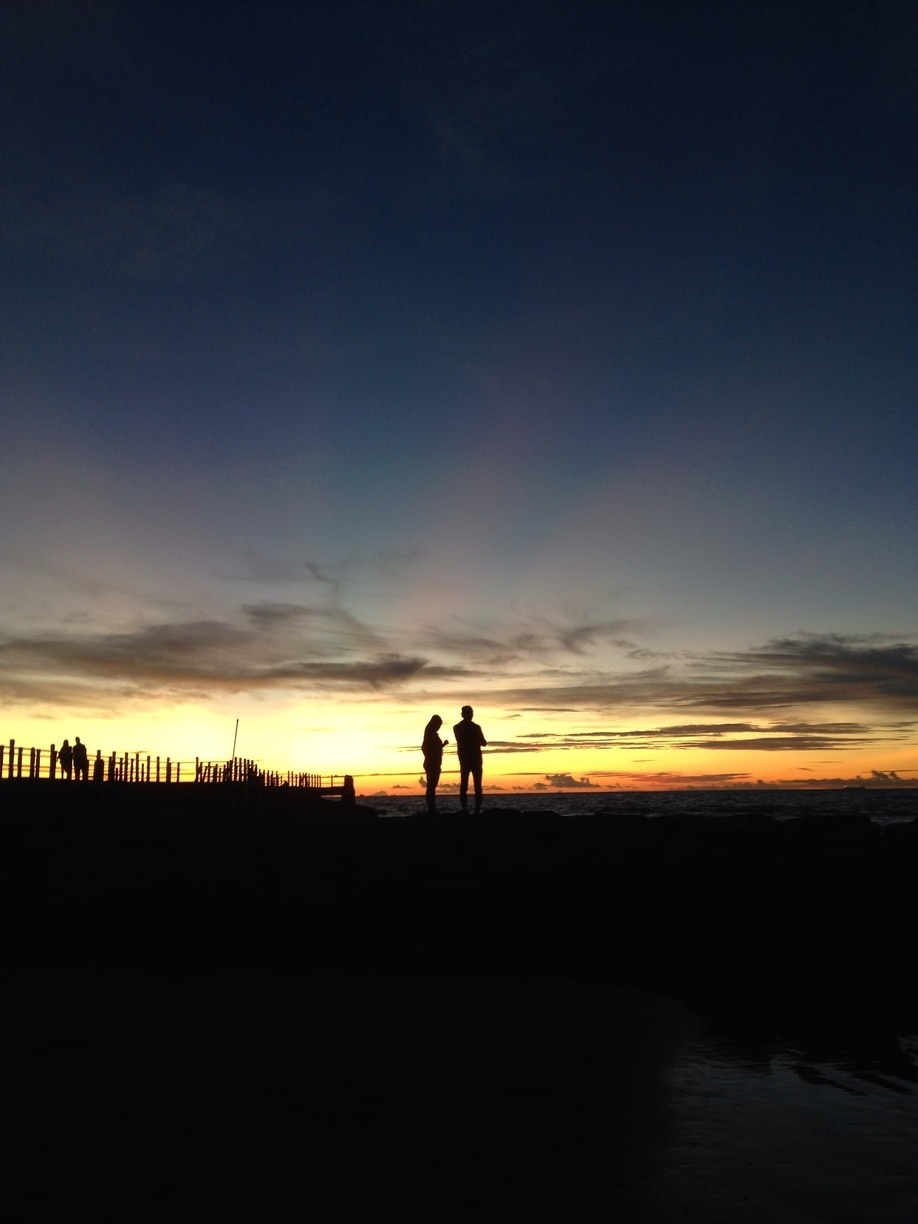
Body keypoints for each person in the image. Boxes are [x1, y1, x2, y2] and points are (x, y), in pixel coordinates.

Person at [453, 705, 486, 814]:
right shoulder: (476, 727)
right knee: (477, 786)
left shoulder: (457, 727)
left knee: (464, 785)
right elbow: (483, 742)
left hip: (465, 759)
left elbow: (461, 740)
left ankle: (465, 809)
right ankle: (476, 810)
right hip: (474, 758)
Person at [422, 715, 448, 812]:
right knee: (431, 787)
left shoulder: (432, 734)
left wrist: (443, 745)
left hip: (434, 763)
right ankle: (431, 809)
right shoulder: (430, 735)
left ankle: (431, 808)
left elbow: (434, 748)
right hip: (432, 763)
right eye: (438, 725)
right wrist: (431, 757)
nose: (439, 727)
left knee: (432, 786)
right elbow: (425, 748)